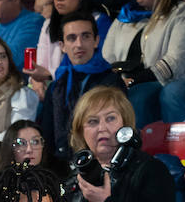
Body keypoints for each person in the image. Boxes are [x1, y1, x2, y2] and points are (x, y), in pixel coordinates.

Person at [101, 0, 185, 125]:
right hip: (124, 81)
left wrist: (135, 80)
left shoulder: (182, 13)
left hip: (163, 81)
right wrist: (117, 80)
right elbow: (107, 56)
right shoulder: (125, 16)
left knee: (137, 97)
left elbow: (177, 60)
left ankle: (138, 145)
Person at [36, 10, 123, 160]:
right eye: (72, 38)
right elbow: (47, 136)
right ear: (62, 46)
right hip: (60, 164)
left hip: (97, 161)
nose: (79, 44)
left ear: (96, 41)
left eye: (86, 36)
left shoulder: (111, 82)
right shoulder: (57, 85)